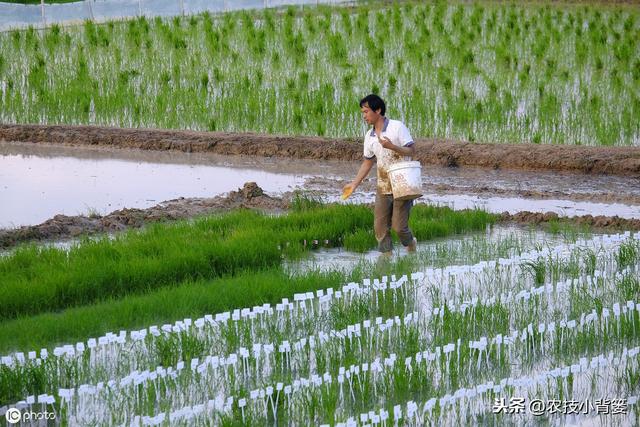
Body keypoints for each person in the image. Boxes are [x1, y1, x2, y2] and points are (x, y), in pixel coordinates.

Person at [343, 94, 417, 256]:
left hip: (402, 184)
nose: (364, 116)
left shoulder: (396, 127)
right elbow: (368, 162)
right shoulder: (369, 137)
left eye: (366, 112)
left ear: (378, 110)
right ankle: (386, 257)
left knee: (399, 227)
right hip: (383, 185)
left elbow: (411, 150)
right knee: (380, 228)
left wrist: (392, 147)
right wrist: (354, 184)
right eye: (362, 112)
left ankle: (411, 244)